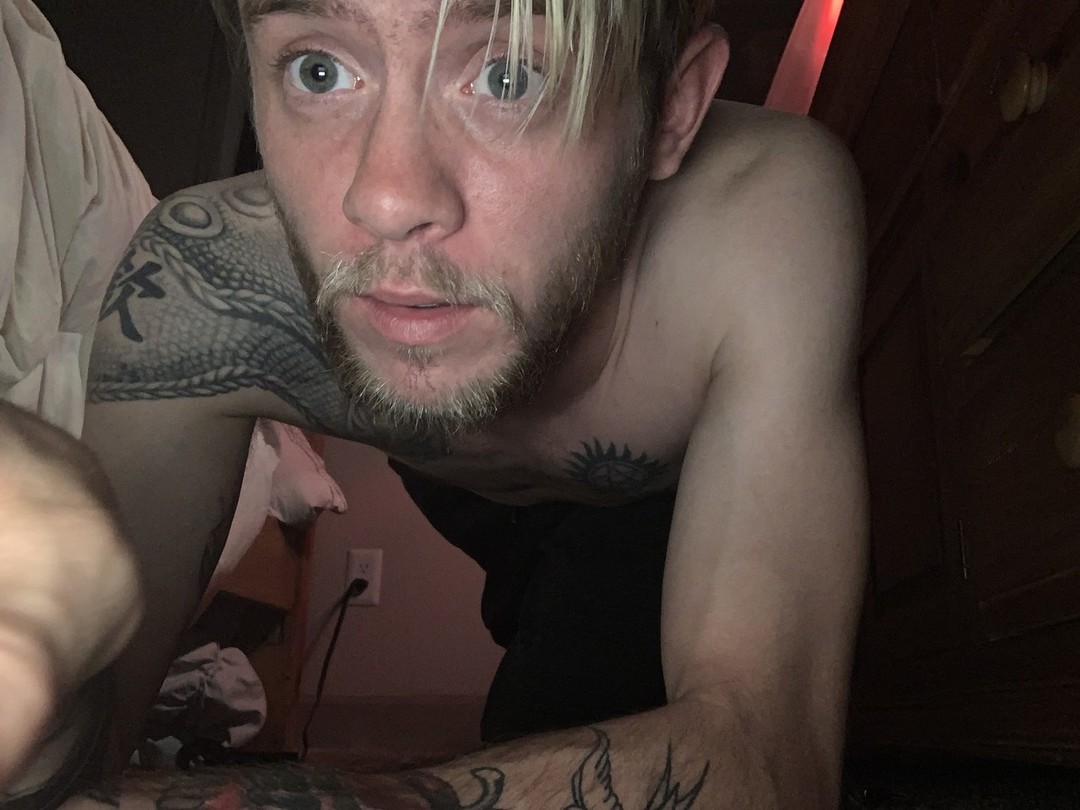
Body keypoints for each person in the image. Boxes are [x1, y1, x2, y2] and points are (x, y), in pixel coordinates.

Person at [2, 0, 870, 806]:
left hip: (652, 515)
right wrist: (36, 681)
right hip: (471, 503)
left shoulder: (763, 223)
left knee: (558, 706)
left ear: (671, 110)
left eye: (508, 76)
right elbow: (81, 741)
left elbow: (772, 749)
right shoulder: (199, 285)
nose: (385, 199)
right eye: (317, 70)